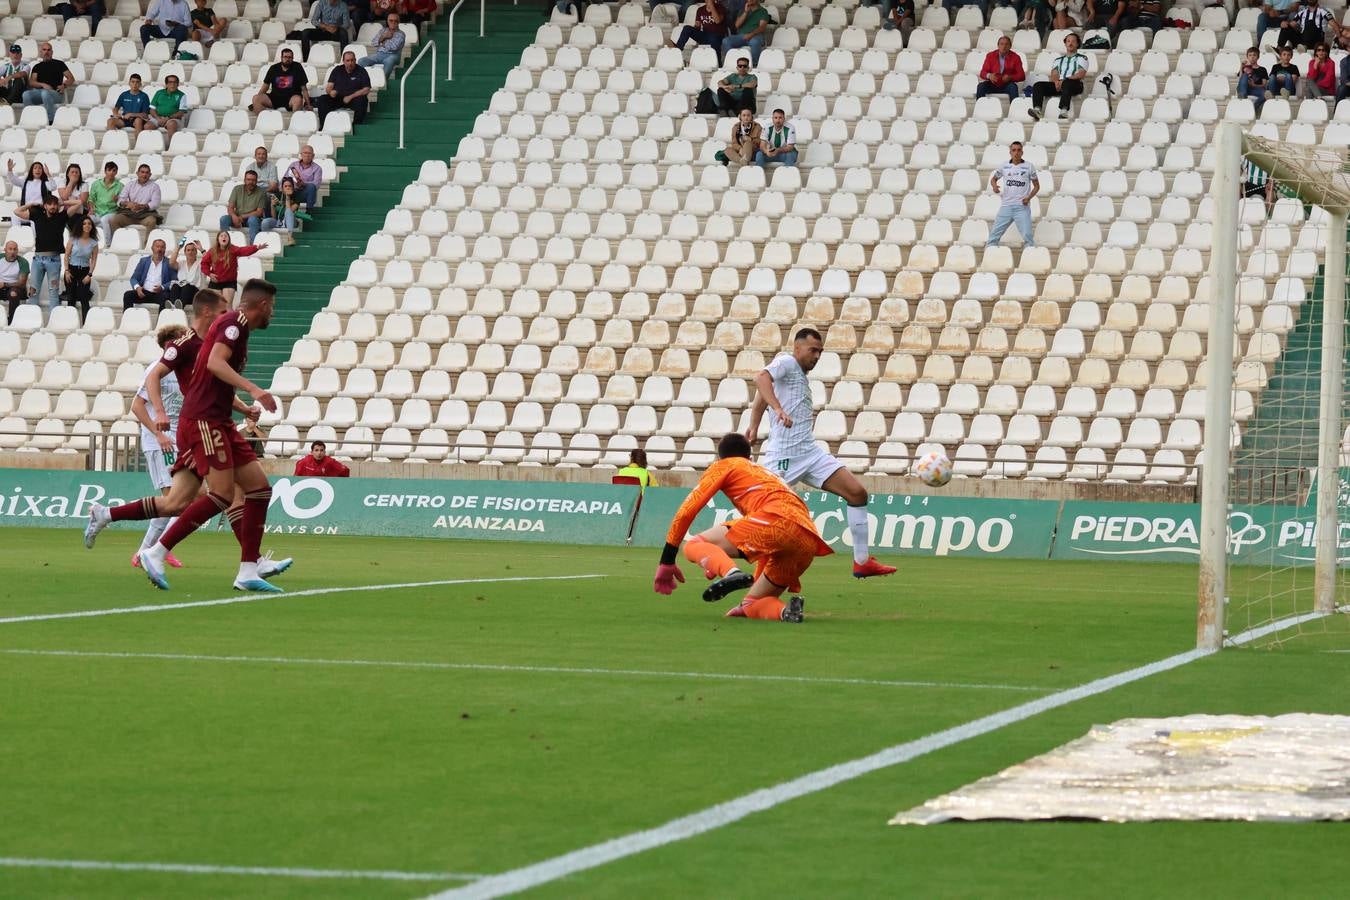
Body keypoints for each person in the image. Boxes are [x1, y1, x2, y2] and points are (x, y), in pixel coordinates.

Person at [84, 288, 293, 590]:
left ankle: (250, 565)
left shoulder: (223, 335)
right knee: (222, 495)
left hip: (212, 421)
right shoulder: (212, 334)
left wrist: (243, 406)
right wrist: (159, 416)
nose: (225, 315)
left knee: (234, 493)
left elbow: (213, 380)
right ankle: (158, 552)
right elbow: (162, 375)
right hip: (199, 425)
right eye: (221, 310)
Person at [743, 328, 897, 579]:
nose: (817, 356)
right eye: (813, 350)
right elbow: (761, 378)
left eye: (820, 352)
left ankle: (862, 562)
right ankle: (730, 562)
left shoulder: (796, 374)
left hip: (809, 452)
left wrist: (754, 424)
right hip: (783, 455)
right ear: (797, 348)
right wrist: (778, 410)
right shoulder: (787, 362)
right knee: (766, 516)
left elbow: (763, 391)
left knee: (857, 493)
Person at [652, 432, 829, 623]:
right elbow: (771, 544)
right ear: (749, 457)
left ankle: (732, 573)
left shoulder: (725, 465)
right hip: (807, 539)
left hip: (775, 521)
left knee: (693, 545)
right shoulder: (765, 473)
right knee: (751, 604)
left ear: (719, 458)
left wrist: (667, 560)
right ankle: (787, 612)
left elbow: (687, 510)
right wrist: (713, 559)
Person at [129, 323, 189, 571]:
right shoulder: (157, 369)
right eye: (182, 340)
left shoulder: (185, 370)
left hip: (180, 439)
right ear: (170, 345)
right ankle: (147, 552)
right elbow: (136, 406)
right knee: (173, 500)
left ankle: (157, 550)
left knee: (180, 500)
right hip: (159, 441)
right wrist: (158, 433)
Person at [10, 194, 70, 314]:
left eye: (55, 204)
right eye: (50, 204)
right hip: (38, 259)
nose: (53, 206)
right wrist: (31, 204)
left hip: (54, 259)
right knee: (33, 290)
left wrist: (62, 203)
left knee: (53, 291)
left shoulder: (61, 216)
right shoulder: (37, 215)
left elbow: (78, 203)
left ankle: (54, 318)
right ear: (45, 205)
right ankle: (32, 317)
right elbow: (16, 211)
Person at [986, 141, 1039, 248]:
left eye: (1019, 150)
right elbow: (993, 179)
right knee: (993, 237)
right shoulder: (1004, 166)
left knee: (1028, 238)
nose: (1016, 152)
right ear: (1010, 152)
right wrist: (994, 186)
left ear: (1022, 152)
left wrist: (1028, 198)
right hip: (1006, 206)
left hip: (1022, 207)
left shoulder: (1029, 166)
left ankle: (1030, 260)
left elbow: (1037, 186)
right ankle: (989, 257)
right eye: (1014, 150)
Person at [1029, 32, 1087, 121]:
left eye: (1073, 41)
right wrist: (1056, 82)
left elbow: (1081, 73)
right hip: (1060, 84)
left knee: (1067, 83)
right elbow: (1054, 73)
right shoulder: (1058, 60)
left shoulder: (1082, 58)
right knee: (1038, 85)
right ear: (1065, 43)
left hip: (1075, 84)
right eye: (1068, 41)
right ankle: (1037, 110)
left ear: (1077, 44)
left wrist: (1065, 80)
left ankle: (1063, 111)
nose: (1070, 43)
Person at [201, 229, 261, 304]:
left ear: (228, 239)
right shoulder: (212, 251)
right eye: (221, 236)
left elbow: (243, 250)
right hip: (215, 281)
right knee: (216, 307)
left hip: (229, 282)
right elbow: (204, 263)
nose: (224, 237)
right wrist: (209, 273)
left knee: (227, 306)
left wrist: (256, 248)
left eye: (226, 236)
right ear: (218, 239)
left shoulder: (233, 249)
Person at [22, 42, 74, 126]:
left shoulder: (59, 64)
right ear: (41, 52)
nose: (46, 52)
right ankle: (30, 117)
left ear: (52, 52)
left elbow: (71, 78)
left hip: (56, 93)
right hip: (41, 92)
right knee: (26, 94)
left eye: (49, 50)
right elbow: (32, 82)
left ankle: (51, 120)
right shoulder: (37, 66)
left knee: (45, 93)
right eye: (44, 50)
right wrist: (43, 85)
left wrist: (64, 85)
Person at [315, 50, 371, 127]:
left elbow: (366, 89)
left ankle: (357, 126)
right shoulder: (337, 70)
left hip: (354, 98)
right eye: (348, 60)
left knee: (363, 100)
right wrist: (331, 92)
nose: (350, 63)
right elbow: (329, 87)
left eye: (352, 60)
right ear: (343, 61)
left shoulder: (361, 71)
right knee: (322, 99)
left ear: (355, 60)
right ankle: (324, 125)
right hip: (338, 97)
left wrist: (350, 97)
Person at [219, 170, 275, 245]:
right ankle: (225, 245)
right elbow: (230, 207)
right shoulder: (237, 189)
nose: (250, 182)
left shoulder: (261, 192)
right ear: (244, 180)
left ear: (256, 181)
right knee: (223, 219)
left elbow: (259, 212)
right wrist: (234, 216)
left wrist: (242, 216)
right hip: (237, 217)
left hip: (251, 219)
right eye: (248, 180)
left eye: (253, 180)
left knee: (253, 220)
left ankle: (253, 246)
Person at [106, 163, 162, 234]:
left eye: (147, 173)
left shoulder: (154, 187)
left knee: (152, 221)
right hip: (129, 214)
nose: (144, 175)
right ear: (137, 173)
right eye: (142, 172)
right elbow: (121, 200)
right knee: (113, 220)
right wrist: (127, 203)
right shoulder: (130, 185)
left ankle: (147, 244)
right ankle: (120, 241)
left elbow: (155, 203)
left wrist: (141, 206)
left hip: (145, 214)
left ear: (150, 175)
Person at [123, 238, 176, 310]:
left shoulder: (169, 262)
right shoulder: (144, 261)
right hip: (143, 293)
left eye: (162, 247)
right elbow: (134, 278)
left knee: (166, 298)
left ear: (165, 249)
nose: (159, 249)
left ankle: (160, 321)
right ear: (152, 248)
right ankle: (128, 319)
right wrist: (138, 288)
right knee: (128, 295)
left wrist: (162, 287)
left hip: (160, 293)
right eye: (157, 246)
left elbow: (174, 281)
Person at [63, 215, 99, 322]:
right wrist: (66, 271)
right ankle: (70, 322)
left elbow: (93, 260)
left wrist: (90, 274)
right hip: (72, 270)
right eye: (84, 223)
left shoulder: (94, 243)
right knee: (71, 298)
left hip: (85, 271)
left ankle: (85, 323)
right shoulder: (73, 239)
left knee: (84, 299)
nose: (87, 225)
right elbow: (66, 255)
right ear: (81, 226)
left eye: (89, 223)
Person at [251, 48, 310, 113]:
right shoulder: (273, 68)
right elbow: (265, 86)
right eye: (285, 57)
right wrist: (257, 99)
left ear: (293, 58)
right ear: (281, 58)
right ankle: (263, 120)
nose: (287, 59)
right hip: (275, 97)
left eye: (290, 57)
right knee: (256, 98)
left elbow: (304, 88)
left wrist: (308, 104)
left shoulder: (298, 67)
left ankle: (294, 121)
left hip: (291, 98)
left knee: (298, 99)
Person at [721, 0, 771, 66]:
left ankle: (754, 65)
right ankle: (733, 63)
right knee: (726, 41)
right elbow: (737, 25)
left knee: (755, 42)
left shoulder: (763, 11)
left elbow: (762, 27)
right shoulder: (743, 10)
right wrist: (746, 12)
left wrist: (751, 34)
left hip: (755, 35)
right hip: (741, 36)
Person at [357, 12, 406, 80]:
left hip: (393, 55)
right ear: (387, 21)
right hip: (379, 54)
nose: (393, 22)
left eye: (396, 21)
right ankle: (362, 81)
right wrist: (384, 37)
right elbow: (374, 43)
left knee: (389, 61)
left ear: (398, 22)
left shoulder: (401, 34)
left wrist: (381, 42)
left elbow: (394, 47)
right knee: (361, 61)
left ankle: (383, 82)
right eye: (391, 20)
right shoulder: (383, 31)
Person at [977, 35, 1025, 101]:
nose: (1004, 47)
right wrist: (989, 76)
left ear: (1010, 46)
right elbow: (982, 72)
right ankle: (980, 108)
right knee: (981, 86)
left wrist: (1010, 77)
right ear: (998, 46)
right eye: (1001, 44)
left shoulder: (1016, 57)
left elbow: (1022, 75)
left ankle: (1014, 109)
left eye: (1006, 44)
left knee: (1013, 87)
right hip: (993, 83)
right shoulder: (990, 55)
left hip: (1007, 84)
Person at [88, 161, 122, 246]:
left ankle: (108, 244)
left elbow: (123, 203)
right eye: (109, 170)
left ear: (116, 172)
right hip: (97, 212)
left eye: (114, 170)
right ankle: (87, 243)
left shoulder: (120, 186)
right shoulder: (96, 184)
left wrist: (118, 199)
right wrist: (91, 209)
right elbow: (91, 199)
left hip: (112, 212)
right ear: (105, 171)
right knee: (87, 220)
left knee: (104, 220)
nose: (111, 172)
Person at [166, 237, 205, 307]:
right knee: (175, 286)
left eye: (193, 250)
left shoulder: (201, 263)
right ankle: (174, 306)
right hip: (182, 292)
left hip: (196, 294)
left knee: (187, 287)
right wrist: (178, 247)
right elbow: (171, 263)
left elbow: (210, 260)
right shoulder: (181, 263)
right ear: (185, 252)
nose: (190, 252)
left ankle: (179, 306)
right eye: (188, 250)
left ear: (196, 252)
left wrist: (201, 249)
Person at [284, 144, 322, 210]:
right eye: (305, 153)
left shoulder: (317, 168)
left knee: (311, 187)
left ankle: (309, 211)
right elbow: (285, 178)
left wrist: (304, 184)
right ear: (301, 154)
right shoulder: (293, 165)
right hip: (292, 191)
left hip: (305, 193)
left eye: (309, 153)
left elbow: (316, 184)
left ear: (313, 156)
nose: (307, 155)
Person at [0, 240, 30, 320]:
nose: (12, 252)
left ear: (17, 251)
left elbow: (21, 283)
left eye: (14, 249)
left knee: (13, 293)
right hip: (1, 287)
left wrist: (4, 284)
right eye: (10, 249)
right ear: (5, 250)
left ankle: (12, 320)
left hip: (17, 289)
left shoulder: (23, 262)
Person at [1238, 46, 1269, 113]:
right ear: (1247, 57)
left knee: (1265, 93)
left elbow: (1264, 85)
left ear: (1258, 57)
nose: (1252, 57)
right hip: (1244, 88)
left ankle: (1252, 110)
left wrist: (1254, 85)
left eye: (1254, 55)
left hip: (1255, 89)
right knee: (1245, 75)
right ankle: (1243, 96)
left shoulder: (1262, 69)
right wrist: (1241, 67)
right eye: (1250, 55)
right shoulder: (1244, 67)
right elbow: (1240, 80)